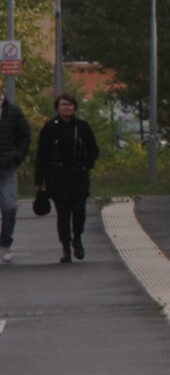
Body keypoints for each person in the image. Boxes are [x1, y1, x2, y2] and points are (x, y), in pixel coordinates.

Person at [34, 93, 99, 263]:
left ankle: (77, 238)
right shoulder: (50, 127)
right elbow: (41, 154)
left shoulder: (83, 127)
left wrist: (87, 164)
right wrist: (39, 181)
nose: (66, 107)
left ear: (75, 107)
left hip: (78, 176)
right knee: (63, 214)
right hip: (57, 177)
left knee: (79, 211)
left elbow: (94, 149)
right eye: (63, 104)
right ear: (57, 107)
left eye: (70, 104)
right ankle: (65, 246)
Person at [0, 88, 32, 264]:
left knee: (10, 207)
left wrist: (18, 155)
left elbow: (25, 134)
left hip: (7, 168)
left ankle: (6, 243)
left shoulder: (14, 112)